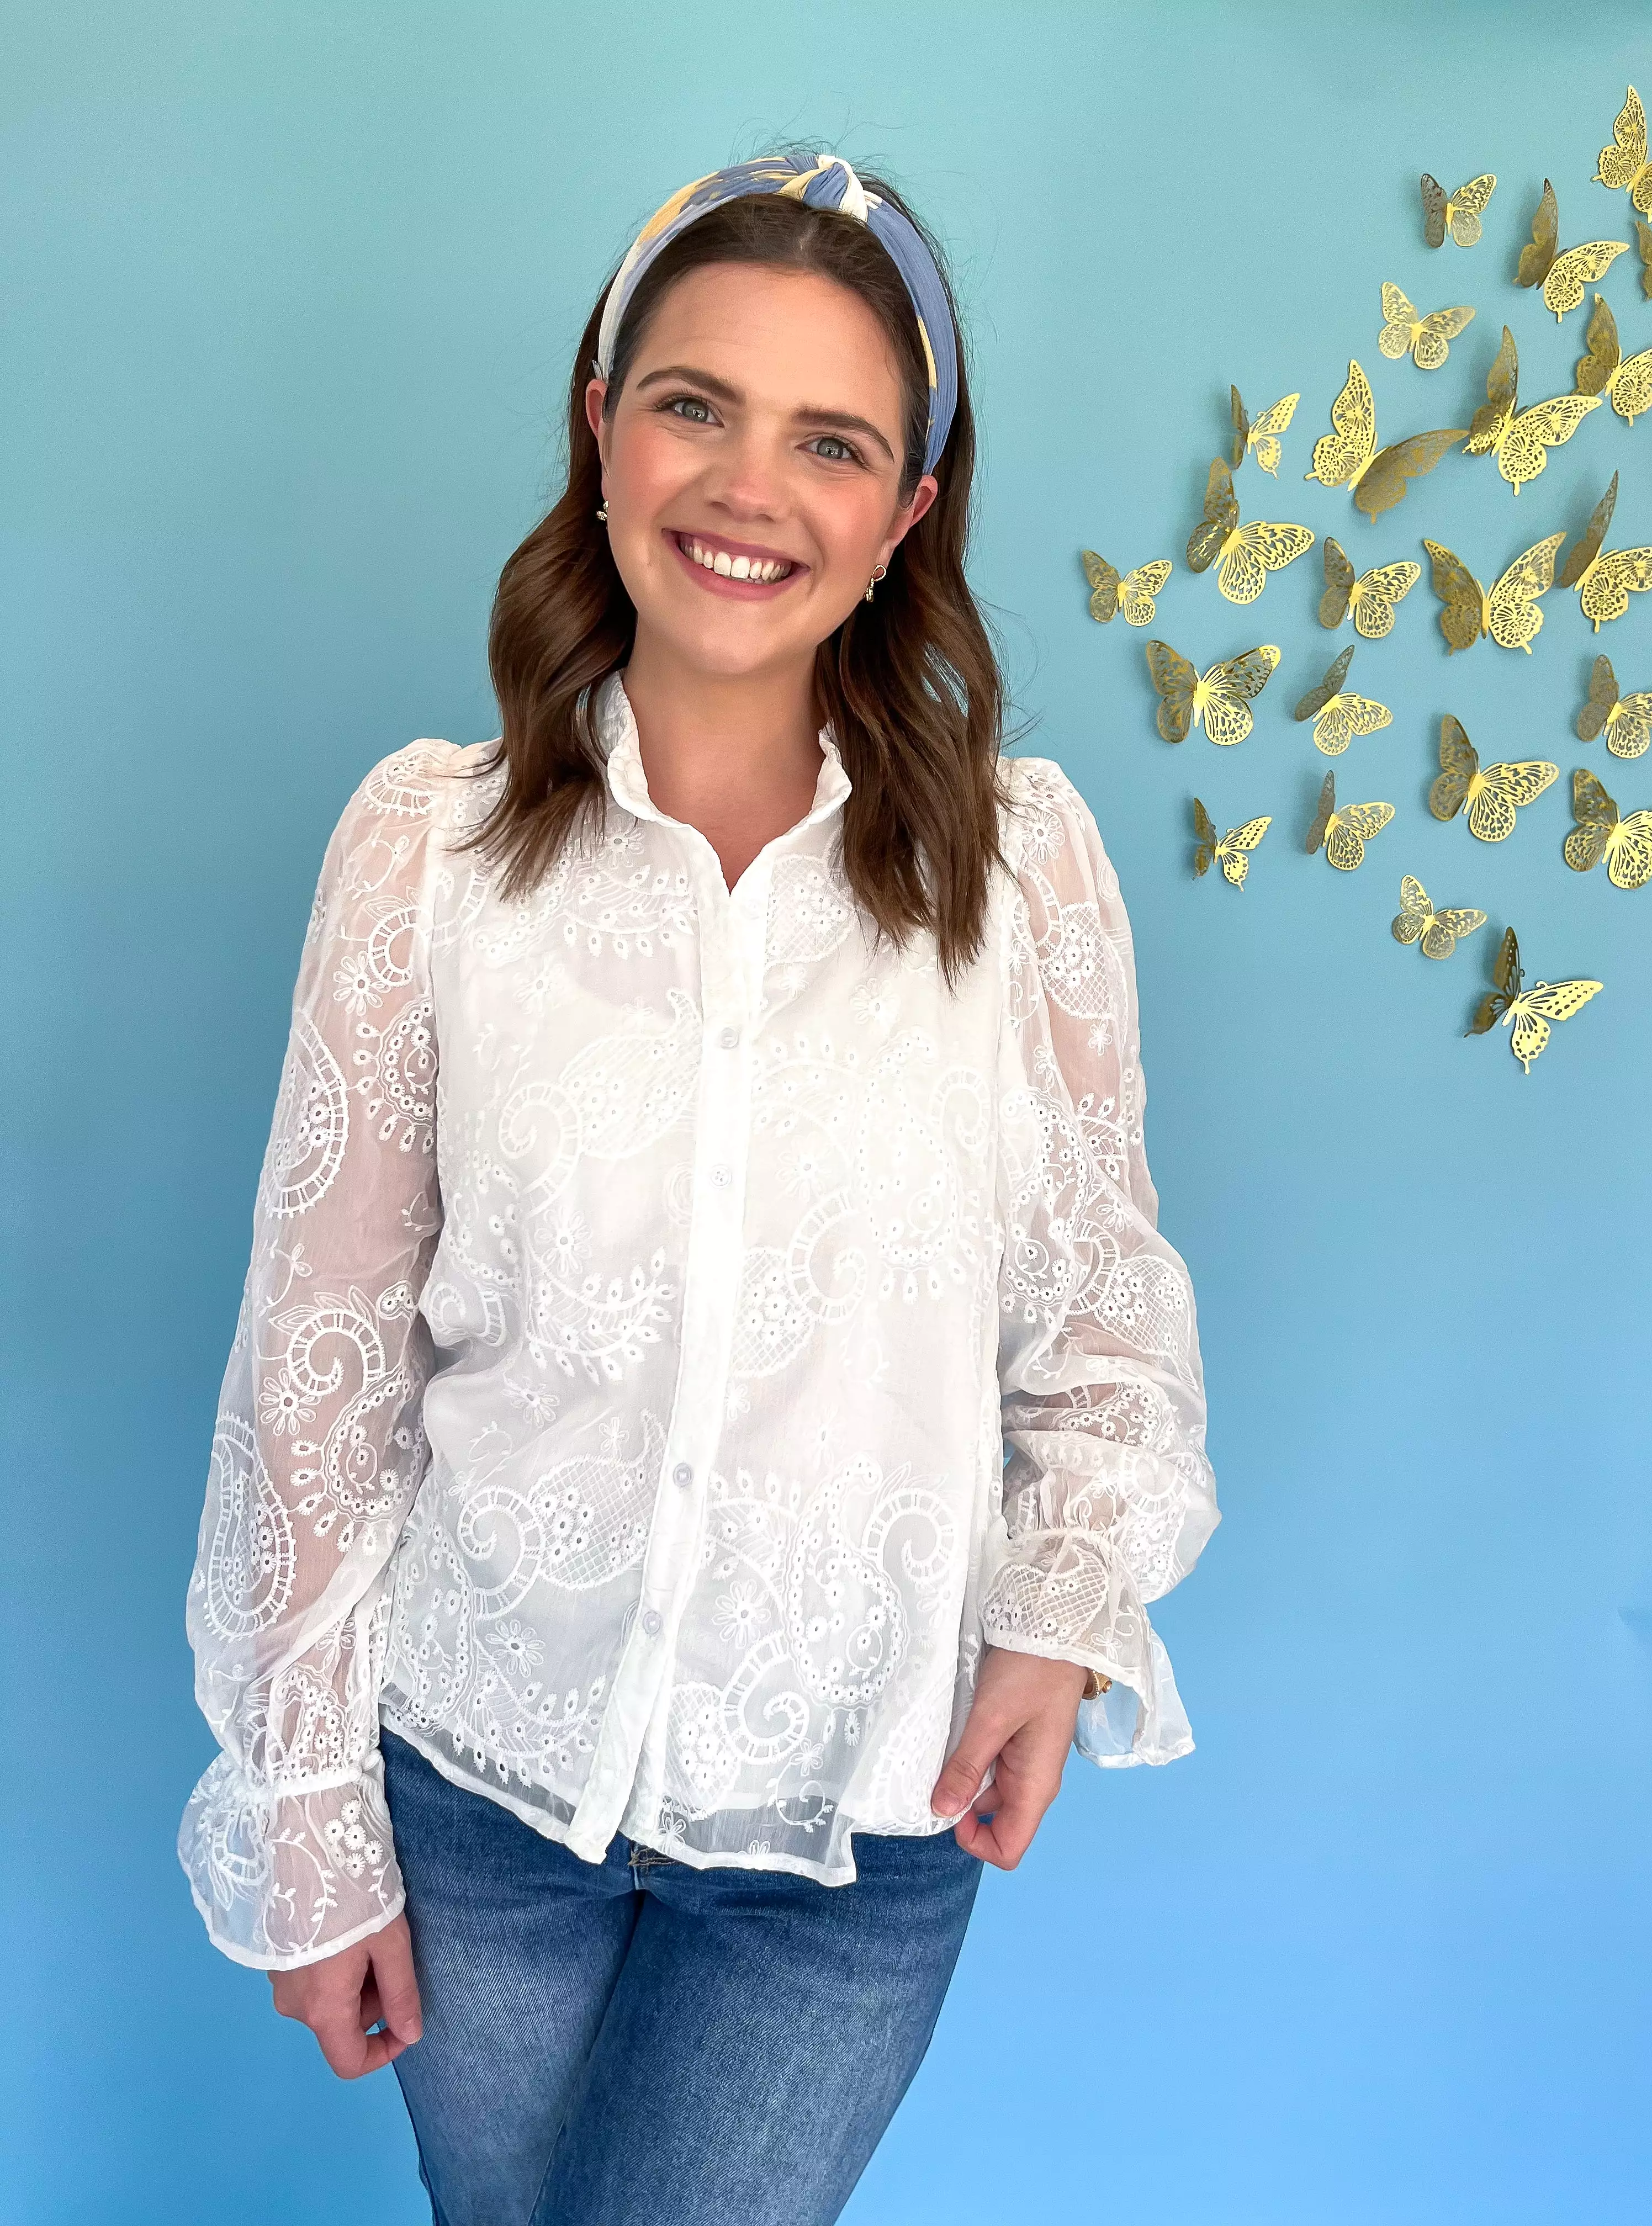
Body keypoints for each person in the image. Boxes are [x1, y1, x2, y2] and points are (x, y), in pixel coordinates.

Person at [178, 149, 1219, 2226]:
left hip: (855, 1832)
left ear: (907, 508)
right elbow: (321, 1366)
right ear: (601, 422)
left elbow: (1104, 1321)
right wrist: (309, 1816)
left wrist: (1061, 1621)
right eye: (694, 404)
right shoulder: (429, 858)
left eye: (831, 440)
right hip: (470, 1795)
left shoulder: (1024, 882)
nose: (750, 488)